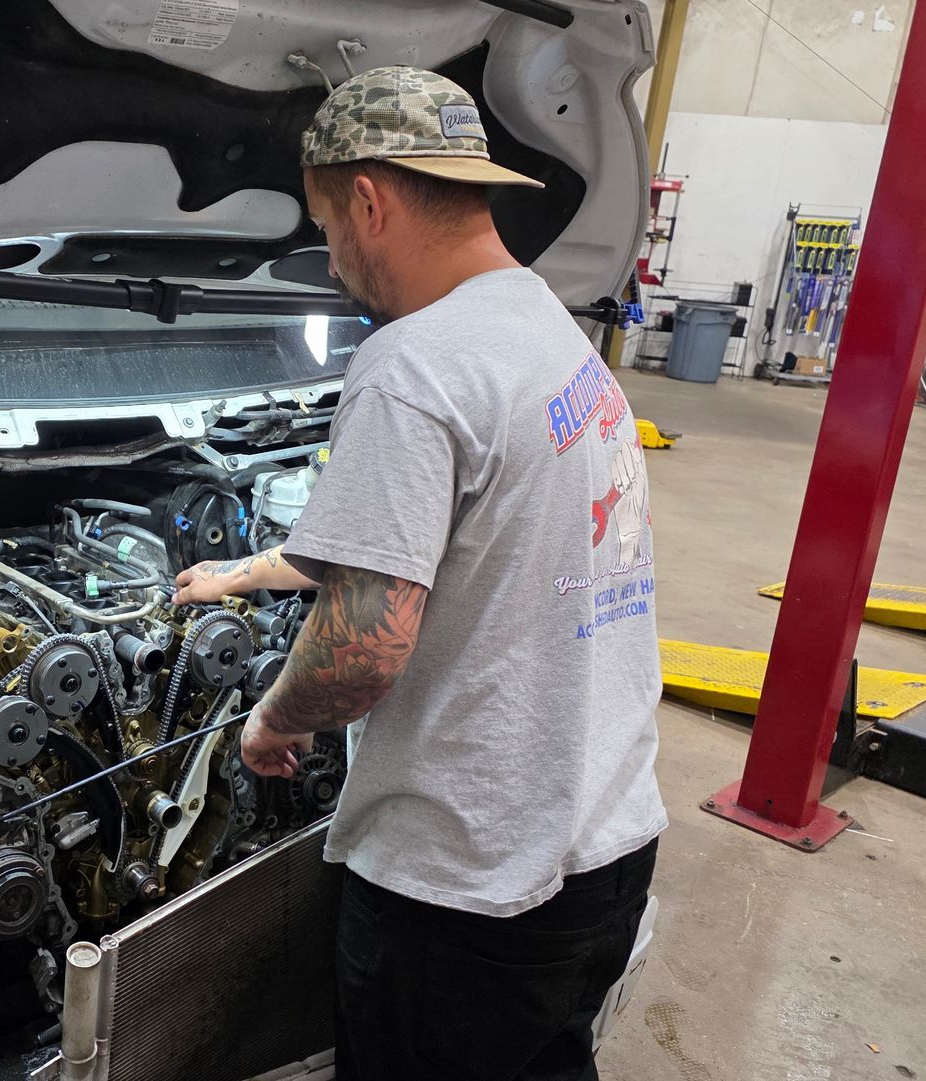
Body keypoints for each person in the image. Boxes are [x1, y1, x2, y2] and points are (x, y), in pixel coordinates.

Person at [173, 66, 666, 1080]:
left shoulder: (413, 364)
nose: (331, 259)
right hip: (605, 838)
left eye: (325, 227)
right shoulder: (549, 334)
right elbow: (472, 535)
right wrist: (248, 573)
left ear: (367, 201)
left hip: (469, 885)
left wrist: (274, 721)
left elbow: (361, 651)